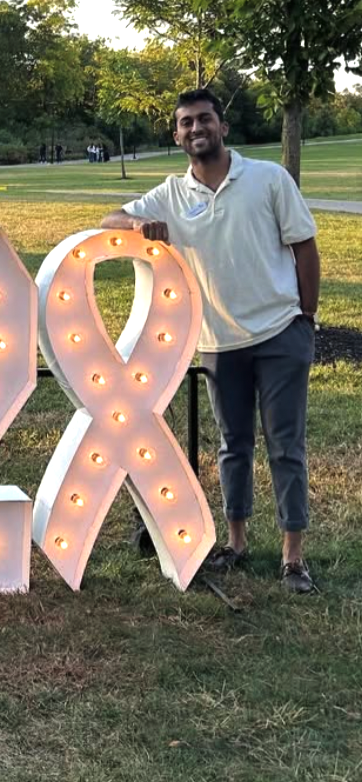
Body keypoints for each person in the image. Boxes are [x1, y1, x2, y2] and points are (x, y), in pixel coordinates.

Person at [100, 88, 320, 593]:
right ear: (177, 136)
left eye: (204, 119)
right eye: (186, 123)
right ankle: (236, 544)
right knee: (233, 445)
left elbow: (304, 246)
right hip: (219, 342)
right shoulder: (171, 194)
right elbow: (108, 219)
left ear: (223, 127)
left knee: (285, 445)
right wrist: (137, 223)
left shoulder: (268, 178)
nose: (196, 128)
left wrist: (306, 316)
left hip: (280, 332)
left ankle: (292, 557)